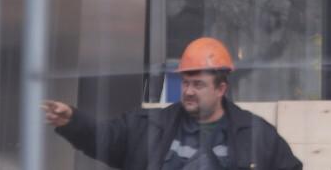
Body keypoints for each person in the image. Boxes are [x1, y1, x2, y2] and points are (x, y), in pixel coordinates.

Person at [43, 36, 302, 170]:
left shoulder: (257, 135)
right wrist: (72, 121)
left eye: (198, 85)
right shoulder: (148, 127)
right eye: (185, 83)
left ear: (221, 89)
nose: (188, 91)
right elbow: (105, 138)